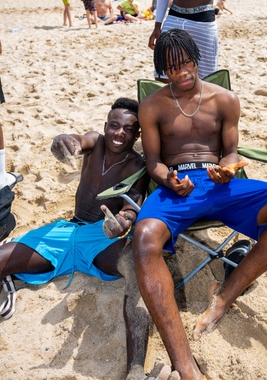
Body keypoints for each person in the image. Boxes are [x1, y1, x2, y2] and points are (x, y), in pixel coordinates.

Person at [132, 29, 267, 380]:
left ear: (196, 59)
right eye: (171, 68)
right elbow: (151, 160)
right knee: (143, 238)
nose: (181, 73)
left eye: (186, 63)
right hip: (177, 186)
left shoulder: (225, 99)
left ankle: (225, 295)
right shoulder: (152, 106)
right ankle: (185, 367)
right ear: (161, 72)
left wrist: (227, 170)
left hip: (219, 182)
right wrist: (167, 178)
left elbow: (230, 151)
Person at [0, 98, 157, 379]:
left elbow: (133, 203)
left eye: (128, 129)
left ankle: (135, 369)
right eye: (113, 126)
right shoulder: (95, 143)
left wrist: (124, 222)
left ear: (137, 135)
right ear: (105, 126)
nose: (119, 133)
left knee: (136, 271)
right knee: (4, 258)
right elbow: (73, 140)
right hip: (67, 232)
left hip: (102, 239)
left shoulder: (137, 165)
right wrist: (63, 142)